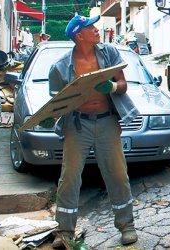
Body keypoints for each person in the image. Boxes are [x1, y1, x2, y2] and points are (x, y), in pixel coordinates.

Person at [47, 15, 140, 248]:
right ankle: (64, 231)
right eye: (91, 27)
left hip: (107, 121)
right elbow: (56, 100)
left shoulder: (108, 54)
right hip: (78, 124)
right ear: (79, 35)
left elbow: (123, 85)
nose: (97, 29)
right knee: (69, 177)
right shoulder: (61, 66)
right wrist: (53, 116)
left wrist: (112, 86)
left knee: (117, 174)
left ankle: (127, 226)